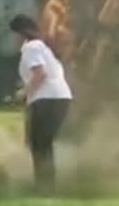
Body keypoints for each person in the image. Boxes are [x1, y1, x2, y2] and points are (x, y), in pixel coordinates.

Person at [11, 14, 73, 195]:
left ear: (20, 33)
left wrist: (23, 93)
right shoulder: (42, 48)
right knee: (42, 143)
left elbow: (40, 74)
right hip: (58, 97)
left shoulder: (30, 47)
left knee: (39, 144)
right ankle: (46, 185)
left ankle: (45, 187)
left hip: (47, 99)